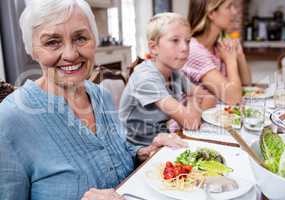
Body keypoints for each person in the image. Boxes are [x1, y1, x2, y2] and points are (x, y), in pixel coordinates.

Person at [0, 1, 187, 200]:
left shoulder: (101, 95)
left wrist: (145, 153)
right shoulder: (9, 120)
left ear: (94, 41)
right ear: (32, 50)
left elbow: (116, 154)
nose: (71, 54)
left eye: (80, 38)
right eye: (52, 42)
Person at [119, 13, 216, 146]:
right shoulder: (146, 78)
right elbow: (191, 123)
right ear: (154, 48)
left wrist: (193, 101)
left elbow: (208, 97)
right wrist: (193, 99)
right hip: (137, 152)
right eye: (175, 40)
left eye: (187, 41)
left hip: (164, 141)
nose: (185, 48)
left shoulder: (174, 71)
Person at [182, 0, 252, 105]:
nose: (234, 12)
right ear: (211, 14)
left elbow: (246, 84)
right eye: (229, 7)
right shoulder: (193, 51)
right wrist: (230, 60)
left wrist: (240, 55)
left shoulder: (218, 46)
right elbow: (234, 98)